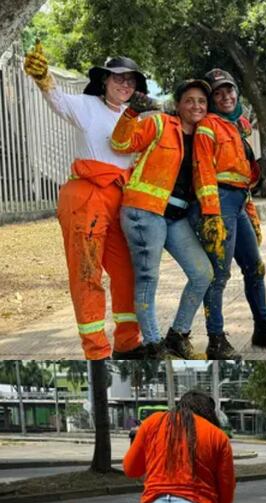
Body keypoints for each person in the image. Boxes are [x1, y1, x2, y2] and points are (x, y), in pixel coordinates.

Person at [22, 45, 145, 359]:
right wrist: (44, 78)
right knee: (86, 274)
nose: (125, 85)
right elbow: (58, 101)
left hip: (121, 197)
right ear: (104, 81)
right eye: (118, 78)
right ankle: (96, 350)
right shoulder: (87, 106)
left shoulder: (135, 118)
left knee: (127, 272)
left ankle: (129, 344)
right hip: (86, 196)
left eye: (131, 81)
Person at [111, 79, 215, 359]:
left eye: (202, 101)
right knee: (148, 277)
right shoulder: (159, 124)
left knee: (202, 273)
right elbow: (120, 143)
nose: (196, 106)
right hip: (145, 211)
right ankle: (154, 345)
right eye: (189, 100)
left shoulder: (206, 136)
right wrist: (131, 112)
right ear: (178, 105)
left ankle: (177, 335)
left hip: (175, 218)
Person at [204, 69, 266, 350]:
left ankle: (263, 326)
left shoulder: (239, 126)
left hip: (239, 200)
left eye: (229, 90)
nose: (226, 97)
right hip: (220, 201)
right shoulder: (208, 125)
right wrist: (210, 213)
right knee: (219, 274)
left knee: (255, 267)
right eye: (218, 94)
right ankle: (216, 337)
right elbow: (203, 170)